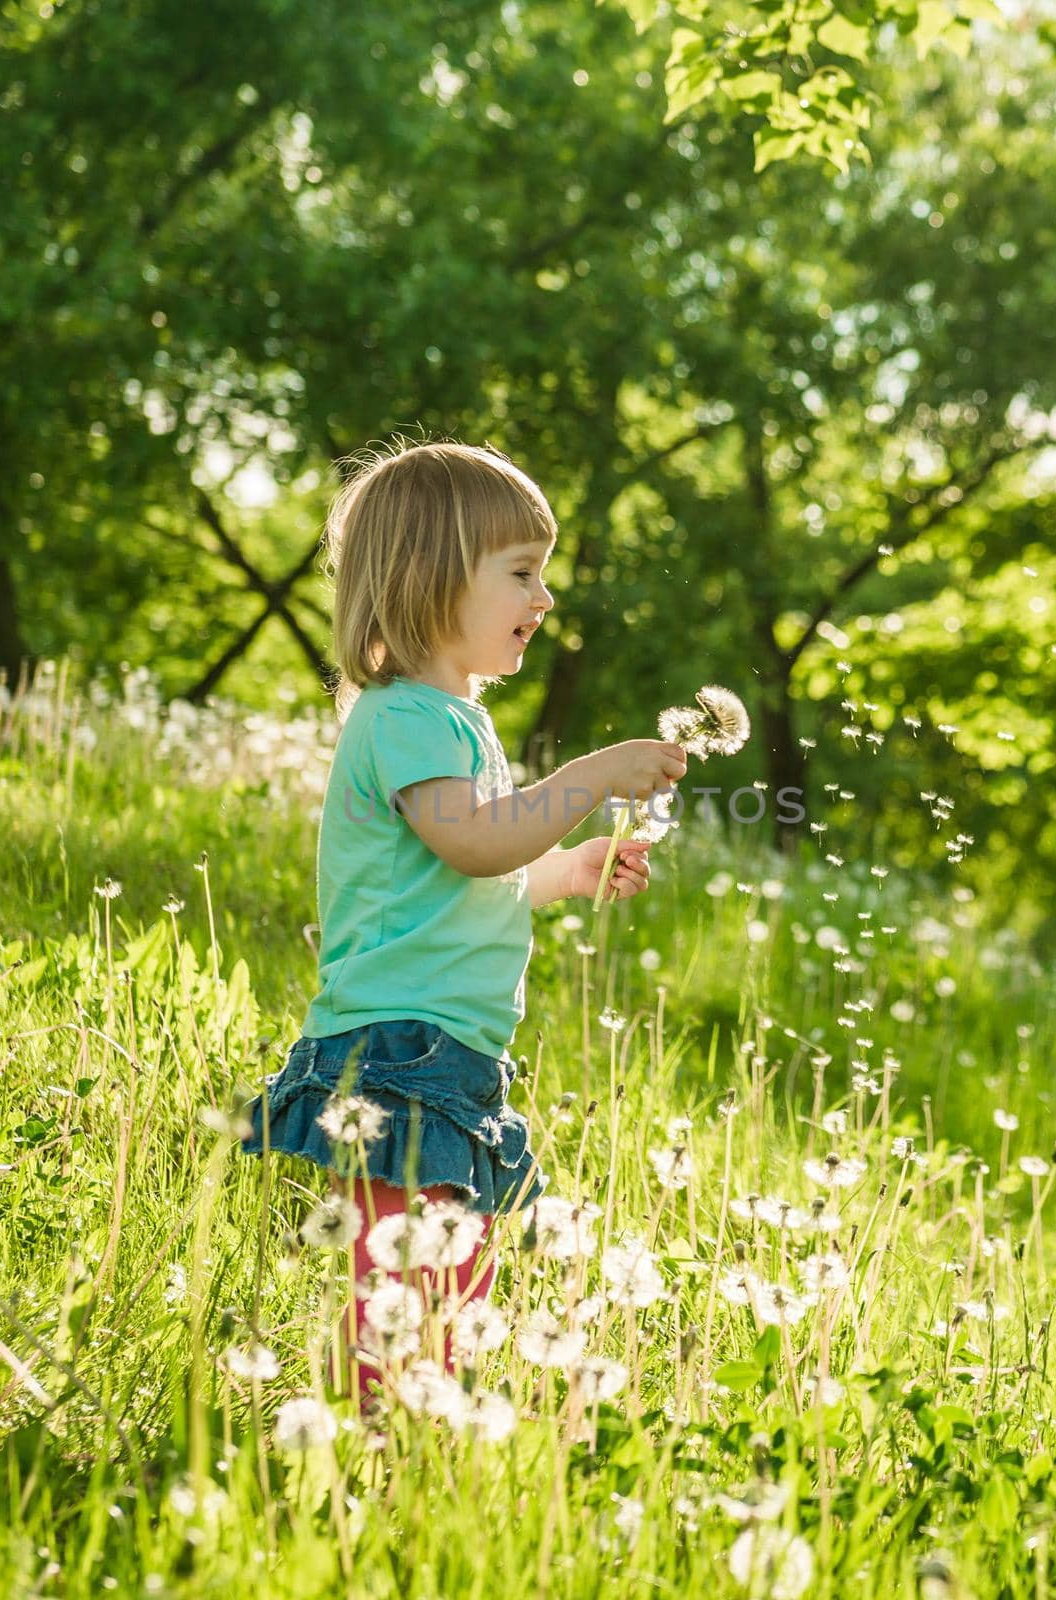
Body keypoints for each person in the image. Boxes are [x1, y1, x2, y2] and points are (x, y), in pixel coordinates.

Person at [240, 439, 687, 1403]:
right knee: (398, 1279)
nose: (545, 598)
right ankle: (372, 1430)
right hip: (400, 1043)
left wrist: (566, 868)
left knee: (447, 1273)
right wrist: (584, 781)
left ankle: (407, 1431)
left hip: (449, 1048)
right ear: (433, 580)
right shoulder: (405, 715)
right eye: (522, 572)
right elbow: (472, 845)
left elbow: (473, 875)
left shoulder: (454, 723)